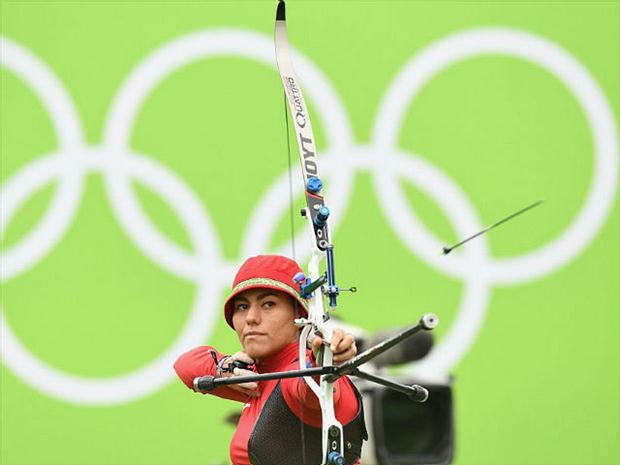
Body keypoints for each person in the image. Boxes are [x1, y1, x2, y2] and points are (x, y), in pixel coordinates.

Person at [174, 254, 367, 465]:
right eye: (242, 306)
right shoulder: (254, 378)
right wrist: (225, 369)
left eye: (268, 304)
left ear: (300, 316)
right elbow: (186, 365)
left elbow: (309, 388)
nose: (251, 318)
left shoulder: (296, 374)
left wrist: (328, 363)